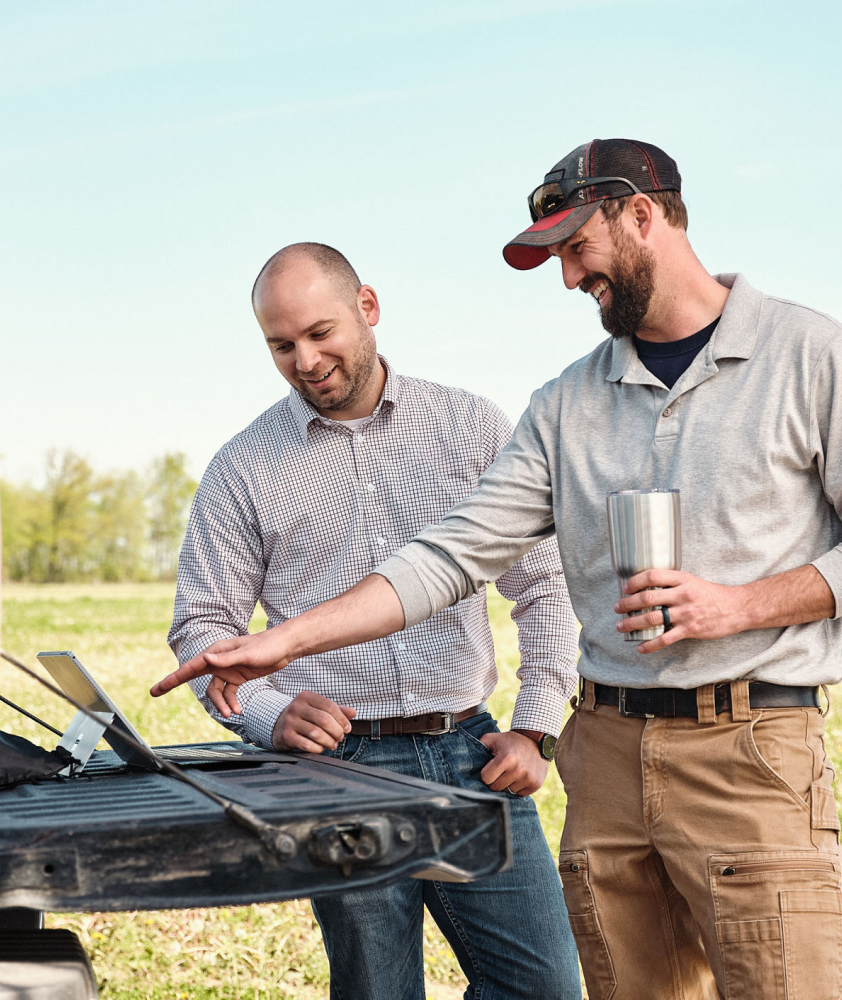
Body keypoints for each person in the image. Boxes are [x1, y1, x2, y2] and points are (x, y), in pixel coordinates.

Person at [155, 142, 842, 1000]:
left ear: (641, 214)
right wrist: (284, 650)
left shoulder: (811, 352)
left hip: (744, 745)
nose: (567, 278)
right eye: (282, 344)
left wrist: (734, 608)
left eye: (576, 249)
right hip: (597, 757)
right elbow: (450, 557)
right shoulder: (566, 403)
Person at [166, 242, 582, 1000]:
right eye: (281, 345)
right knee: (377, 992)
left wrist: (537, 726)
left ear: (368, 307)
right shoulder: (243, 467)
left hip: (470, 754)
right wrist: (270, 713)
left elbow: (546, 584)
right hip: (335, 771)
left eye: (320, 332)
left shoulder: (470, 426)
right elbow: (202, 628)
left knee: (544, 986)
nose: (305, 360)